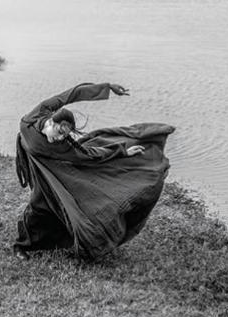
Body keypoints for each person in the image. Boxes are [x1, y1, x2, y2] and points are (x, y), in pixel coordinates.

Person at [13, 82, 175, 260]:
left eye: (65, 136)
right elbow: (72, 94)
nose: (60, 138)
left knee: (44, 204)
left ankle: (54, 241)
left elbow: (89, 155)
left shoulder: (64, 146)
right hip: (34, 161)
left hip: (52, 169)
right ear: (51, 121)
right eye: (59, 131)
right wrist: (106, 87)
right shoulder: (34, 116)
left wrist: (122, 151)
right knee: (38, 205)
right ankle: (20, 246)